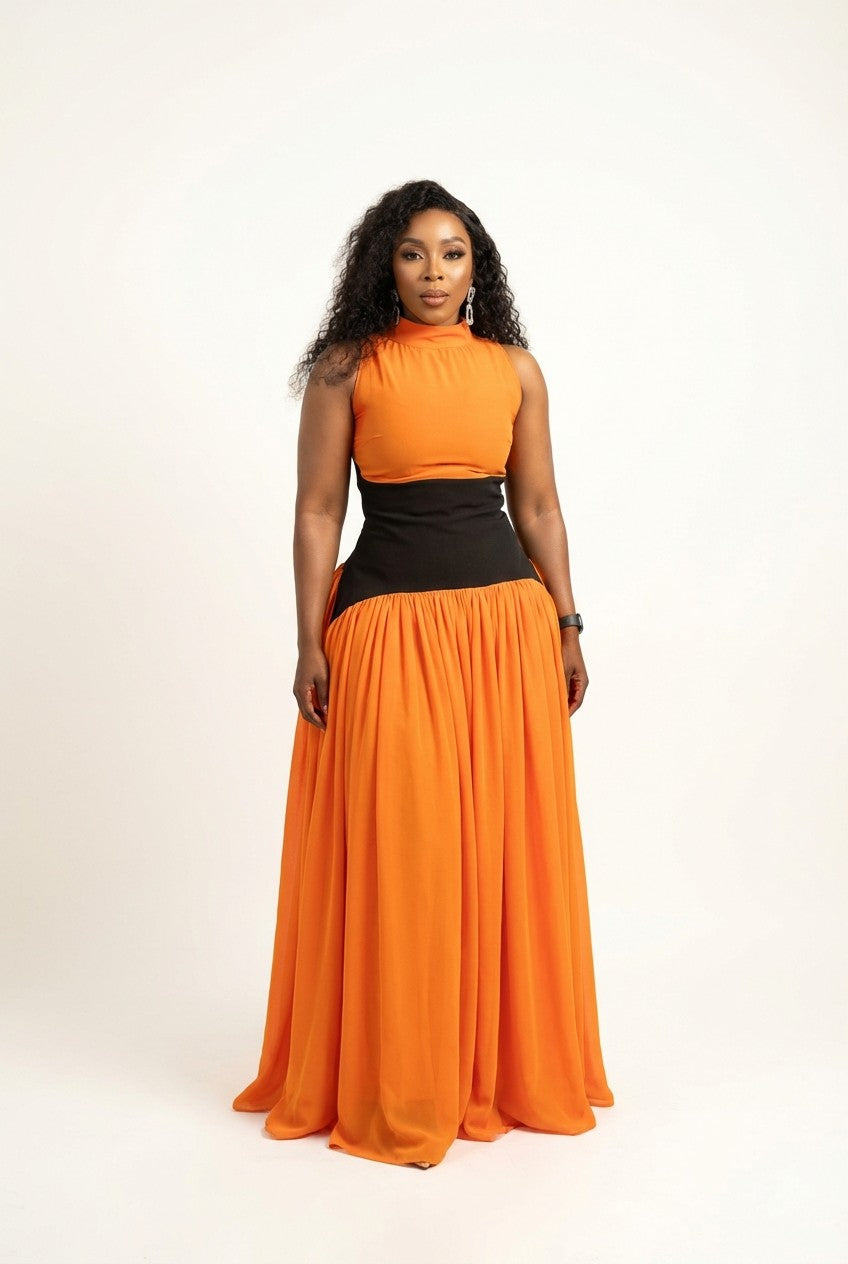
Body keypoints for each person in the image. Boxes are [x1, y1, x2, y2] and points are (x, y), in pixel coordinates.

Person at [232, 178, 614, 1169]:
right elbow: (318, 510)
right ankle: (401, 1078)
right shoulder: (345, 370)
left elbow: (538, 506)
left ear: (475, 268)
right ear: (384, 267)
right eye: (412, 254)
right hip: (386, 631)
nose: (433, 273)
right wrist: (309, 640)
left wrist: (567, 622)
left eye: (452, 254)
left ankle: (498, 1069)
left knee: (501, 847)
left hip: (505, 631)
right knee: (405, 852)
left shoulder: (514, 370)